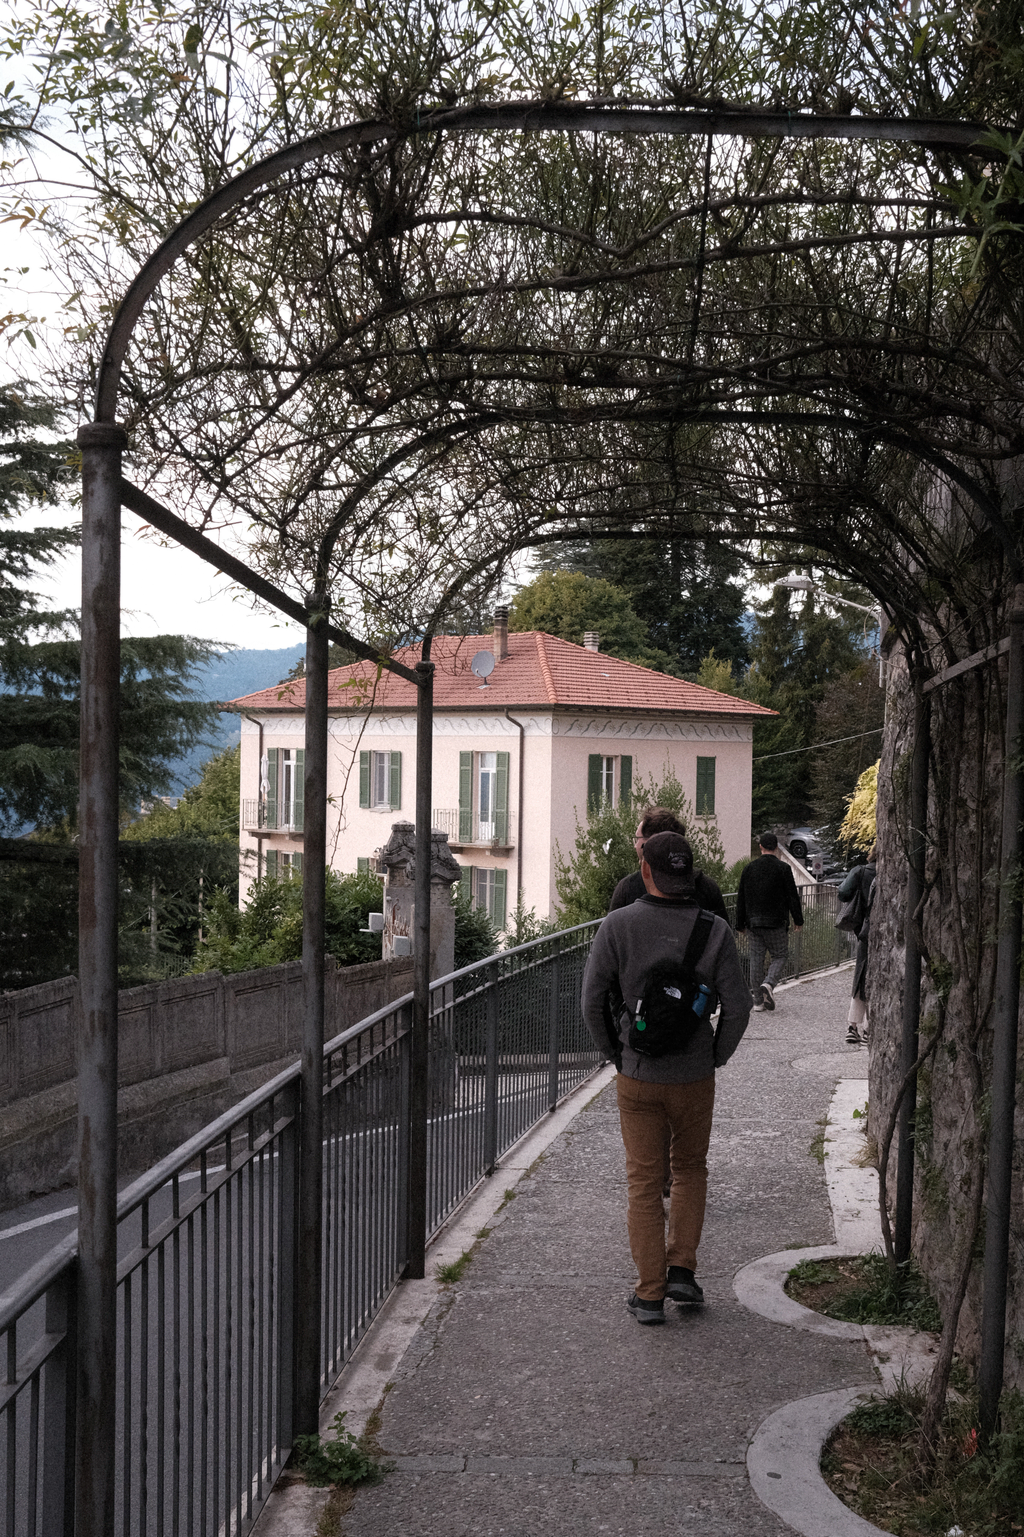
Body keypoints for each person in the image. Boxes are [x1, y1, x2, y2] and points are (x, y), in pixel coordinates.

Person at [582, 832, 752, 1326]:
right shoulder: (715, 930)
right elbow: (738, 1008)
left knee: (643, 1181)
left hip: (638, 1074)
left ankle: (650, 1293)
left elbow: (591, 1002)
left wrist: (617, 1053)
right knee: (691, 1169)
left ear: (647, 871)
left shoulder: (617, 925)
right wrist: (715, 1056)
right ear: (689, 873)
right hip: (694, 1075)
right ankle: (683, 1270)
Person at [609, 807, 729, 922]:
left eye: (637, 839)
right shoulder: (708, 888)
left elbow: (610, 936)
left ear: (652, 842)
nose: (635, 846)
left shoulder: (627, 888)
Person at [735, 832, 804, 1013]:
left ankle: (757, 1001)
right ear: (776, 848)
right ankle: (769, 983)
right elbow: (792, 897)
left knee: (756, 959)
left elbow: (741, 897)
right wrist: (798, 919)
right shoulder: (783, 869)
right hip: (776, 922)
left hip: (753, 923)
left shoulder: (749, 869)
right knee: (780, 954)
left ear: (760, 847)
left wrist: (739, 923)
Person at [839, 845, 876, 1045]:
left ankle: (853, 1026)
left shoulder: (861, 871)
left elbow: (843, 893)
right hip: (885, 928)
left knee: (861, 976)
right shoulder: (888, 872)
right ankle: (869, 1028)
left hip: (864, 930)